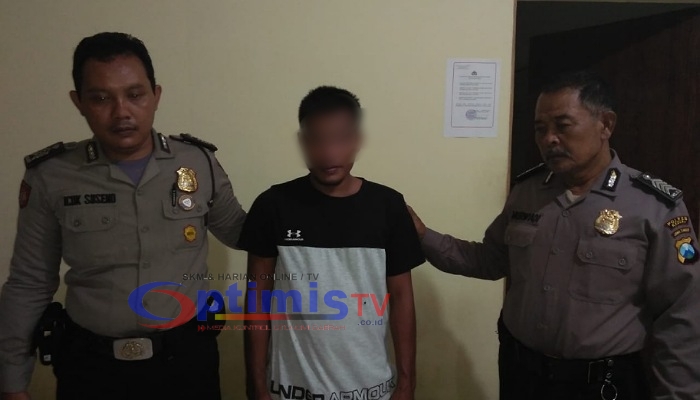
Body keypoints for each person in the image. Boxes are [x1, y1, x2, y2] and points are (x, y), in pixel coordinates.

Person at [408, 71, 700, 399]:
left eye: (563, 126)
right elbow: (489, 260)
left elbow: (682, 313)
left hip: (601, 384)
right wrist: (422, 235)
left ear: (605, 125)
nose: (549, 139)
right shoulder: (527, 193)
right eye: (540, 129)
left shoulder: (653, 206)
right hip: (521, 374)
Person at [0, 32, 247, 400]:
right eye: (101, 98)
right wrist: (11, 380)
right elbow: (30, 281)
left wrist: (307, 201)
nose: (121, 112)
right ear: (79, 102)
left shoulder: (197, 162)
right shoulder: (51, 176)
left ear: (155, 95)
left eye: (135, 95)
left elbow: (245, 233)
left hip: (186, 363)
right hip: (91, 367)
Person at [237, 86, 424, 400]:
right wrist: (256, 384)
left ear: (357, 140)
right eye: (317, 139)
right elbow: (257, 298)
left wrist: (407, 384)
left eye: (339, 139)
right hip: (289, 390)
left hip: (371, 389)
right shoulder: (273, 206)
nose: (329, 153)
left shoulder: (388, 206)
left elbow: (402, 297)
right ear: (302, 142)